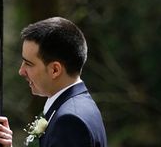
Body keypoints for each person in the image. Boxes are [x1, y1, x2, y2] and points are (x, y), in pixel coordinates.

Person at [18, 17, 107, 147]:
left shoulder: (70, 121)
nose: (21, 71)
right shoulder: (77, 106)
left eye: (28, 64)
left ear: (55, 70)